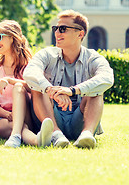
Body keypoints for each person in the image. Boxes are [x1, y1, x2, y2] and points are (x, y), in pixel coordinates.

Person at [23, 9, 114, 149]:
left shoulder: (93, 57)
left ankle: (87, 135)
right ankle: (56, 134)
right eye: (56, 28)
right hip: (51, 117)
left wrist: (72, 91)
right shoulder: (46, 54)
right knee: (38, 88)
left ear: (80, 34)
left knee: (96, 90)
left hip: (81, 119)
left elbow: (107, 78)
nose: (57, 33)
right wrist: (50, 89)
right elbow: (30, 72)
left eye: (63, 29)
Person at [0, 20, 54, 148]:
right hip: (4, 119)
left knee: (18, 87)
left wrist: (10, 80)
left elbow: (38, 88)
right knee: (19, 127)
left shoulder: (31, 66)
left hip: (29, 115)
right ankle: (36, 140)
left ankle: (16, 136)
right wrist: (9, 115)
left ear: (12, 38)